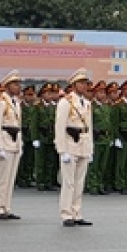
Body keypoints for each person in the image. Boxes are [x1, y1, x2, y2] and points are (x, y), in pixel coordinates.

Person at [55, 69, 94, 227]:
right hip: (70, 145)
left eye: (86, 83)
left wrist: (91, 149)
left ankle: (77, 212)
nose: (84, 86)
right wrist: (62, 150)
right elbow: (60, 127)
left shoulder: (87, 103)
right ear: (74, 84)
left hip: (83, 145)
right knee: (69, 182)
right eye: (81, 83)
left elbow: (89, 127)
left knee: (79, 182)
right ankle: (66, 214)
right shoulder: (66, 102)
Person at [0, 70, 24, 220]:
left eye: (18, 84)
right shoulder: (0, 102)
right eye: (15, 84)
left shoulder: (15, 103)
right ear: (8, 86)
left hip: (14, 142)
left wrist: (20, 143)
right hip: (4, 141)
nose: (18, 87)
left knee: (11, 178)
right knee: (2, 178)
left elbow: (18, 124)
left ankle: (7, 206)